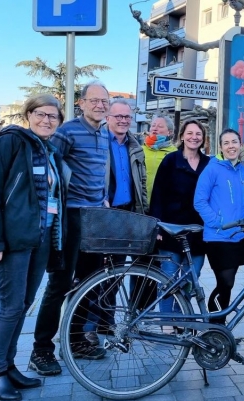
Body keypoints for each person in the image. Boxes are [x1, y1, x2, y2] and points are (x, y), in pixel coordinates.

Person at [0, 94, 66, 400]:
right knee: (10, 306)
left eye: (53, 117)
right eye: (41, 115)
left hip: (39, 239)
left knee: (23, 304)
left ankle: (9, 366)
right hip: (13, 241)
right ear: (28, 115)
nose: (47, 120)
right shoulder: (10, 143)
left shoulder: (48, 150)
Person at [29, 81, 110, 376]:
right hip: (70, 217)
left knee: (89, 282)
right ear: (82, 102)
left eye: (105, 101)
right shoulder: (67, 132)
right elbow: (53, 169)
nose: (100, 105)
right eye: (95, 100)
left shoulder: (103, 131)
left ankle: (76, 342)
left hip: (94, 217)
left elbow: (96, 171)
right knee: (61, 284)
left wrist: (102, 196)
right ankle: (41, 350)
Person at [81, 99, 149, 346]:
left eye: (126, 117)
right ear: (108, 117)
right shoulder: (98, 143)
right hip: (102, 216)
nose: (122, 120)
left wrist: (142, 212)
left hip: (126, 216)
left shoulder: (135, 146)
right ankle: (86, 328)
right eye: (118, 116)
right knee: (96, 273)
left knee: (116, 273)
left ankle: (106, 323)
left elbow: (140, 183)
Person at [150, 120, 210, 326]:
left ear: (203, 138)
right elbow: (158, 193)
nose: (194, 137)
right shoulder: (170, 160)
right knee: (167, 277)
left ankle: (181, 317)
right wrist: (157, 225)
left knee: (191, 278)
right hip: (171, 229)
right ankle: (167, 321)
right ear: (182, 136)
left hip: (199, 231)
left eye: (198, 134)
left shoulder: (209, 163)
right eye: (190, 133)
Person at [194, 128, 244, 324]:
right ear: (220, 147)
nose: (231, 146)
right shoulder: (212, 169)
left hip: (238, 236)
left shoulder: (243, 171)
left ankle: (220, 324)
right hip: (217, 237)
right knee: (225, 281)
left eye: (234, 142)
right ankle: (214, 322)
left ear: (240, 145)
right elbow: (199, 201)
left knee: (228, 284)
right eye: (226, 143)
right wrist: (217, 223)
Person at [144, 115, 177, 201]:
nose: (155, 128)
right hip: (140, 202)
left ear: (169, 132)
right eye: (153, 125)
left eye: (160, 126)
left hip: (164, 203)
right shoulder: (140, 150)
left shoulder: (175, 153)